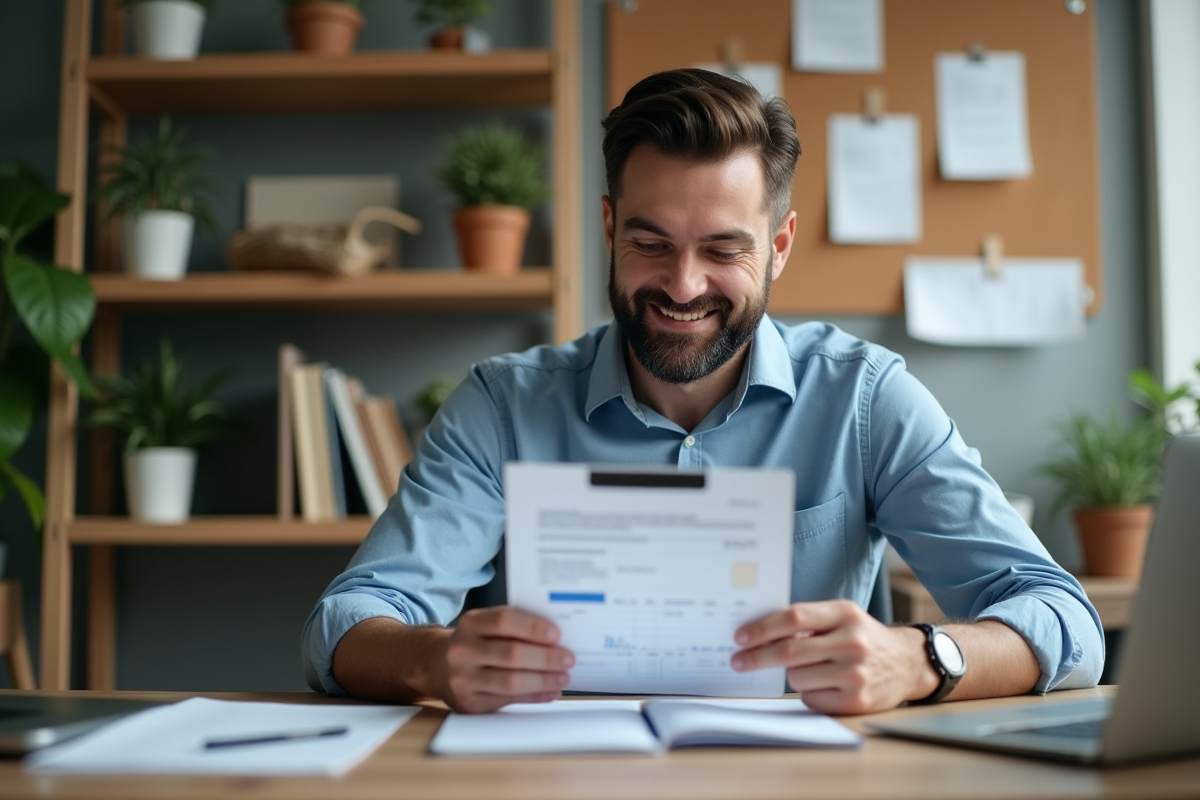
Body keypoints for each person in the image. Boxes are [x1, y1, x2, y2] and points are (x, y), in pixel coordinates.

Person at [302, 68, 1103, 715]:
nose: (683, 285)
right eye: (651, 243)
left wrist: (925, 657)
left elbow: (1065, 619)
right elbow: (346, 623)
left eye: (723, 248)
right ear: (610, 229)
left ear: (780, 245)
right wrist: (436, 659)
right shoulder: (502, 406)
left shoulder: (867, 398)